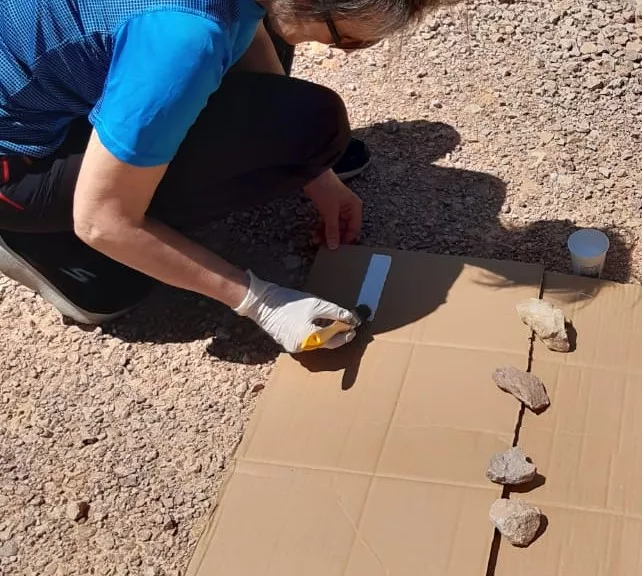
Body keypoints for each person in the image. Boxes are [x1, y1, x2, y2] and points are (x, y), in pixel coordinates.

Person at [0, 0, 443, 351]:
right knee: (311, 123)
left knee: (298, 115)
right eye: (345, 41)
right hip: (16, 171)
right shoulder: (185, 37)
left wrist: (316, 173)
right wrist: (261, 301)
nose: (346, 50)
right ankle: (42, 241)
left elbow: (246, 25)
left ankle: (123, 143)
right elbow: (102, 220)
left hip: (65, 65)